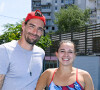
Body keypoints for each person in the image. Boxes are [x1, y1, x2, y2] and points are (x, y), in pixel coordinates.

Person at [0, 10, 46, 90]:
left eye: (39, 29)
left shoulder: (41, 53)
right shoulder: (5, 50)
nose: (35, 32)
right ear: (23, 26)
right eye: (32, 26)